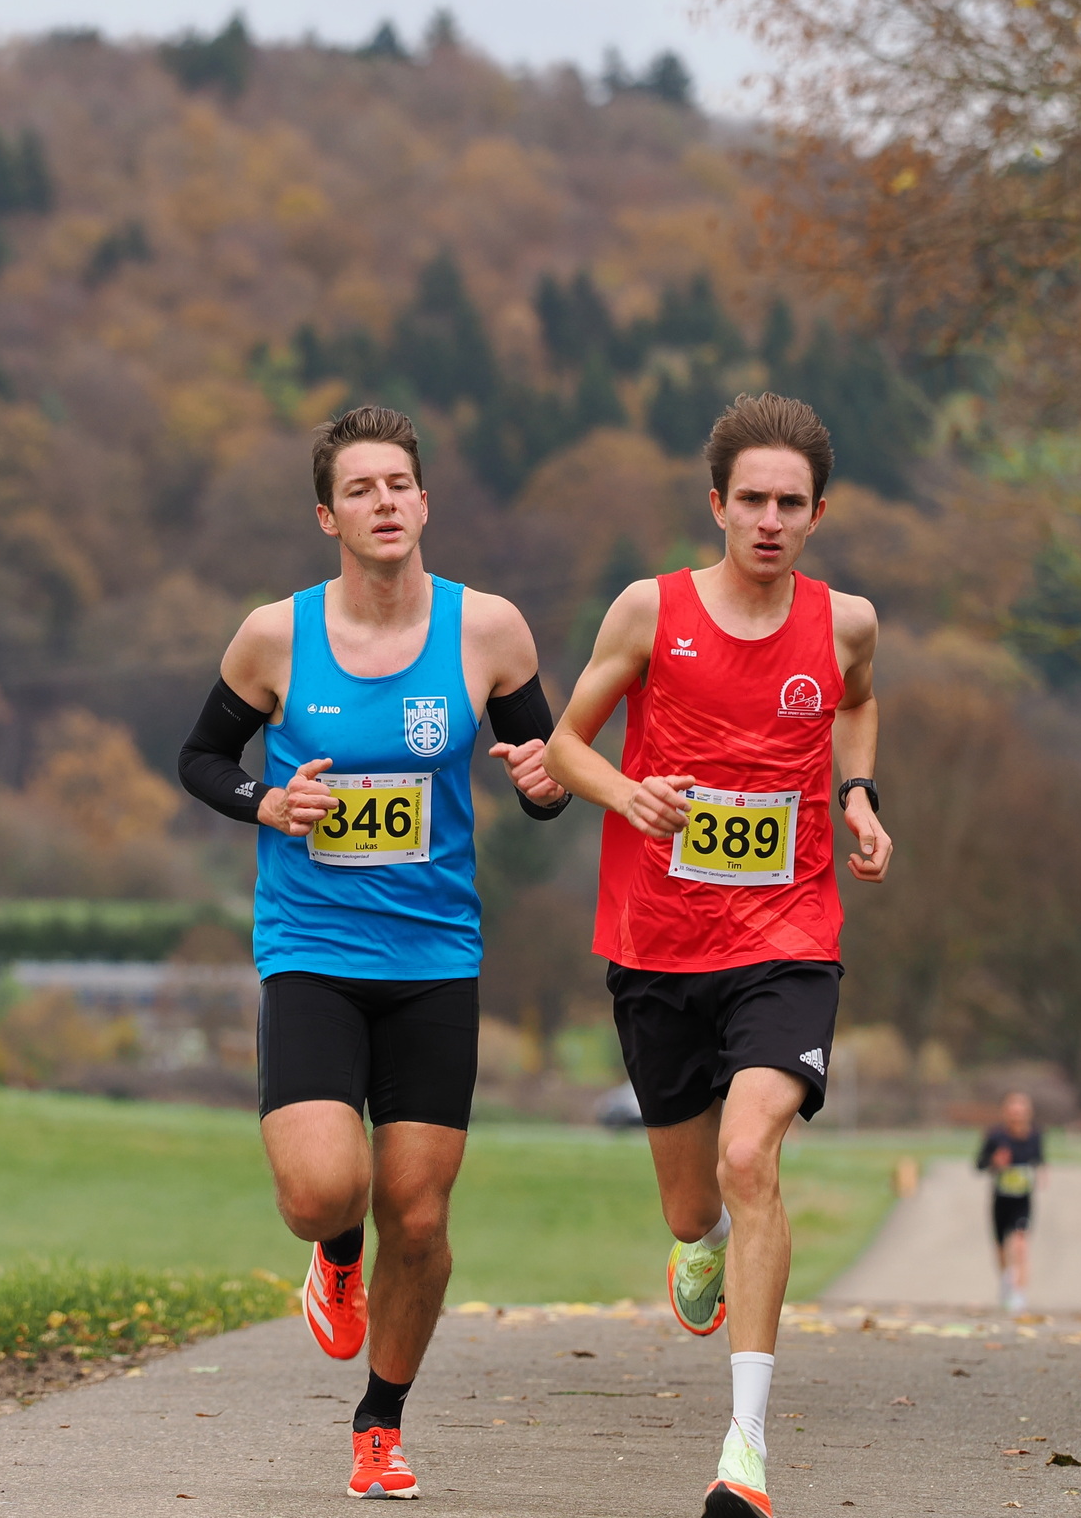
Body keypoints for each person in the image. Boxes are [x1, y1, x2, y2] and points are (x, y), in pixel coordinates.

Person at [176, 404, 569, 1499]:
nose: (384, 502)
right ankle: (334, 1256)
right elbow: (201, 758)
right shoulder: (275, 637)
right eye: (360, 488)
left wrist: (542, 787)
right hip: (311, 946)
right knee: (322, 1191)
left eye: (399, 483)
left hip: (435, 956)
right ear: (328, 516)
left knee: (423, 1215)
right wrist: (265, 803)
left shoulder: (490, 631)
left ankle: (380, 1423)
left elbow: (540, 773)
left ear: (425, 502)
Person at [546, 392, 893, 1518]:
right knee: (695, 1203)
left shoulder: (846, 623)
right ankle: (696, 1245)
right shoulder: (651, 610)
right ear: (717, 505)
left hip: (789, 937)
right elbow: (565, 743)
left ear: (819, 513)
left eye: (792, 503)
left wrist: (857, 794)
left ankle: (745, 1443)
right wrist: (627, 792)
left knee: (753, 1159)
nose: (771, 520)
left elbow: (858, 705)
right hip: (659, 943)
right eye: (753, 500)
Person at [978, 1091, 1045, 1315]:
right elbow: (979, 1164)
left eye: (1021, 1112)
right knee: (1000, 1248)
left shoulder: (1035, 1135)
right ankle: (1006, 1282)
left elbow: (1039, 1159)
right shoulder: (996, 1137)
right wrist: (995, 1162)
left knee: (1020, 1245)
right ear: (1006, 1113)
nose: (1017, 1116)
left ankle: (1019, 1292)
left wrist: (1042, 1172)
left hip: (1023, 1200)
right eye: (1013, 1112)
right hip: (1001, 1199)